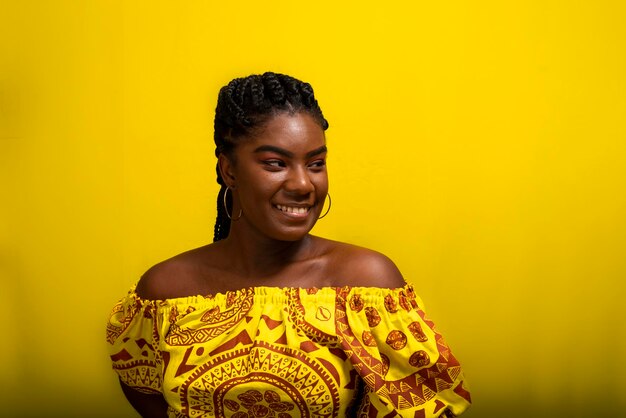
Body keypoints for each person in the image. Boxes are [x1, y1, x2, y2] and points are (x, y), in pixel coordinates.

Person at [106, 72, 471, 417]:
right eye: (276, 163)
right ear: (228, 170)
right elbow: (150, 402)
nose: (302, 184)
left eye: (315, 163)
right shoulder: (164, 293)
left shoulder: (366, 284)